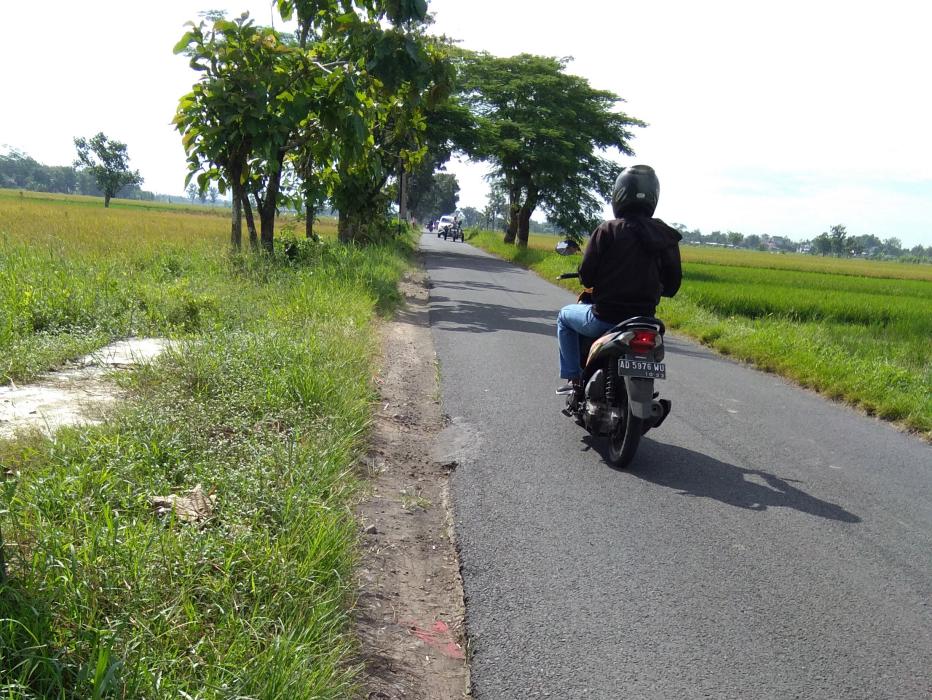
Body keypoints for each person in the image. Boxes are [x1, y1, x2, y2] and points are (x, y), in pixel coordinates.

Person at [556, 164, 682, 395]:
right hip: (645, 321)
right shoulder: (666, 236)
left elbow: (587, 277)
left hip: (605, 318)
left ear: (619, 194)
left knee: (564, 316)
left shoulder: (608, 230)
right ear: (653, 196)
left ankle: (574, 379)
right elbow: (672, 286)